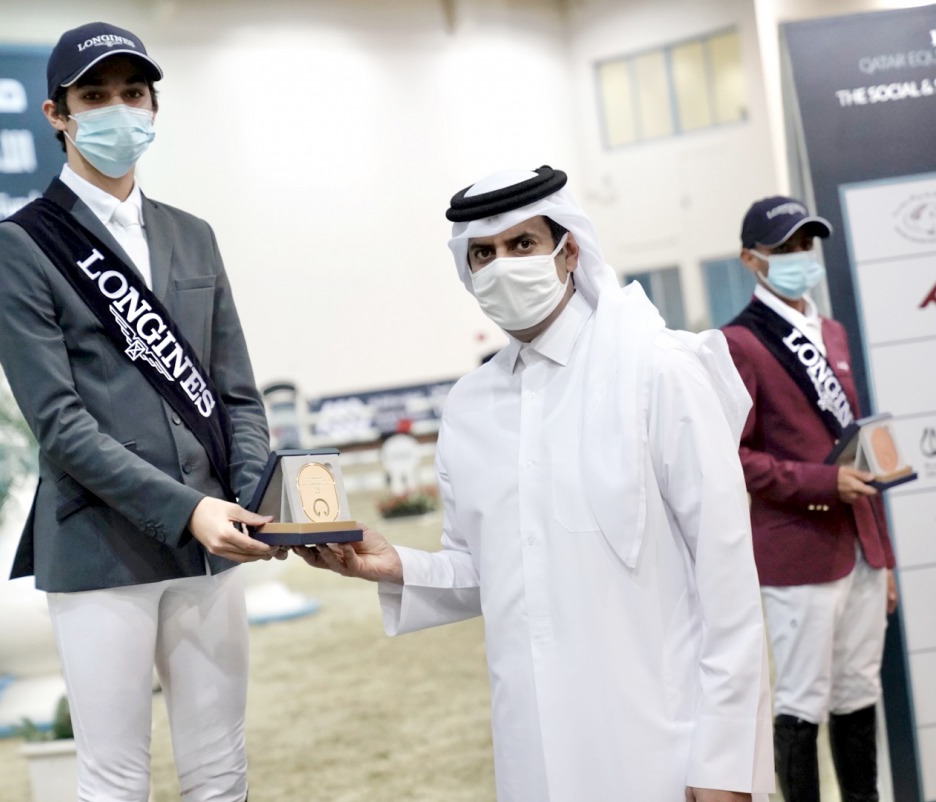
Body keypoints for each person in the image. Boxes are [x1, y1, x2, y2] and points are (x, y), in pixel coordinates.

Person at [297, 166, 774, 802]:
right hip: (534, 753)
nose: (501, 266)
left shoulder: (658, 370)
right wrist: (397, 567)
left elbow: (728, 580)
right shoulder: (470, 407)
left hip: (659, 744)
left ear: (568, 250)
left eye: (521, 244)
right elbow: (493, 572)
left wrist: (724, 763)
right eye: (482, 254)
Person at [0, 21, 276, 802]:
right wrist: (191, 511)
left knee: (221, 767)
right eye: (95, 95)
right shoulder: (19, 246)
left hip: (214, 548)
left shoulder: (192, 234)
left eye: (133, 93)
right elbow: (60, 425)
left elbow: (237, 392)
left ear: (153, 105)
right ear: (58, 114)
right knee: (115, 779)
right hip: (101, 550)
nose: (118, 110)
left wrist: (244, 501)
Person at [721, 197, 898, 802]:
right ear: (752, 259)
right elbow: (733, 458)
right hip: (798, 550)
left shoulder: (833, 331)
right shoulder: (738, 343)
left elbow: (855, 443)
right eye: (784, 248)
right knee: (801, 701)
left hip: (861, 547)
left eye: (806, 244)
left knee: (859, 692)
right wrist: (824, 484)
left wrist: (885, 556)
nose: (800, 257)